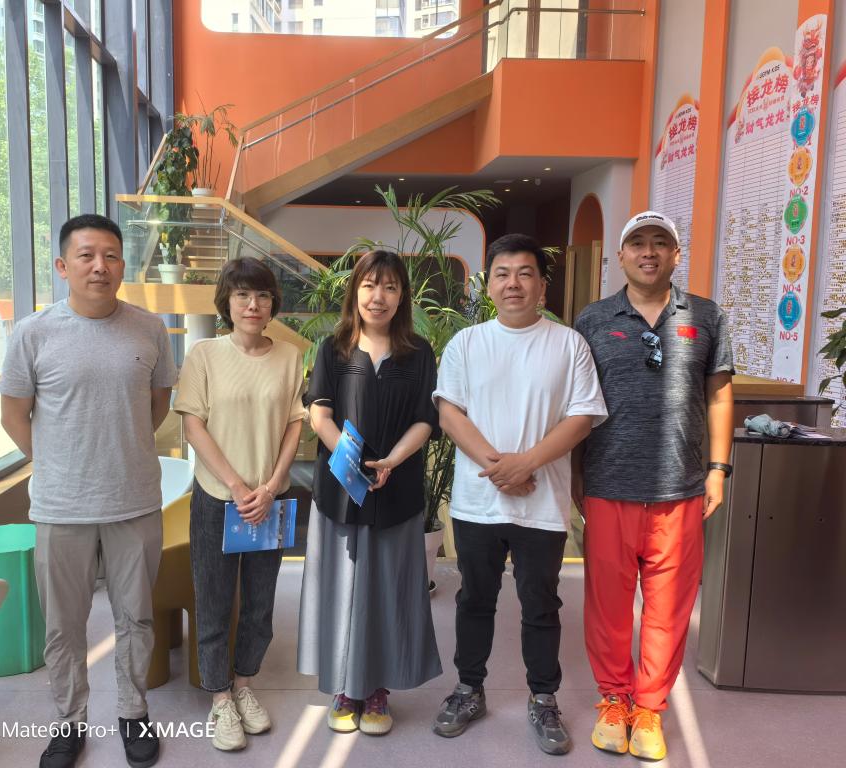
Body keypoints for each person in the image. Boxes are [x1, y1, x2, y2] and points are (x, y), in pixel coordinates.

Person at [0, 214, 177, 768]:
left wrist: (119, 450)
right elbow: (13, 415)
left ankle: (132, 712)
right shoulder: (33, 333)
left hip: (135, 500)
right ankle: (68, 721)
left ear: (122, 265)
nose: (100, 266)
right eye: (86, 255)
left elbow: (158, 405)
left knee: (136, 618)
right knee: (63, 625)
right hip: (60, 506)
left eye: (111, 256)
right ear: (62, 266)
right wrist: (59, 462)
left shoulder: (150, 329)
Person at [431, 234, 607, 755]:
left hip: (542, 504)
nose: (514, 284)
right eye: (503, 274)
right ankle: (469, 689)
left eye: (525, 273)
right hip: (478, 503)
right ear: (488, 286)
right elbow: (449, 413)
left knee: (541, 604)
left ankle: (544, 698)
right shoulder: (466, 343)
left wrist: (526, 465)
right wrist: (502, 469)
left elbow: (582, 417)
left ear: (542, 286)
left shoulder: (569, 344)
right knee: (474, 599)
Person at [573, 211, 734, 761]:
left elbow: (719, 395)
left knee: (668, 609)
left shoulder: (706, 316)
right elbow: (578, 403)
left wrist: (718, 469)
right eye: (637, 243)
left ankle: (648, 709)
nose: (648, 252)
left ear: (675, 254)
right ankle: (613, 701)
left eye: (660, 243)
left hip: (680, 489)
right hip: (609, 484)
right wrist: (576, 474)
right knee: (608, 607)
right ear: (620, 256)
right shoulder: (593, 319)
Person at [298, 249, 442, 736]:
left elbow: (426, 419)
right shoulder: (333, 348)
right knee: (342, 591)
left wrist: (392, 460)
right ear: (354, 291)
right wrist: (352, 459)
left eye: (390, 287)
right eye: (369, 285)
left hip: (397, 491)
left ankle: (378, 688)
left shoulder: (418, 352)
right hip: (342, 490)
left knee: (387, 592)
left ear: (402, 297)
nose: (378, 296)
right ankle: (345, 687)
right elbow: (319, 413)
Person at [172, 258, 307, 752]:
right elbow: (193, 424)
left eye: (263, 295)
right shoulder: (204, 354)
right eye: (243, 295)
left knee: (260, 601)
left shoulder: (290, 356)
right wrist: (235, 485)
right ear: (226, 303)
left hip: (271, 499)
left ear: (273, 303)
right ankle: (220, 698)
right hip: (217, 499)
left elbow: (295, 423)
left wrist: (270, 487)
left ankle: (246, 685)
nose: (254, 305)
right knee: (212, 601)